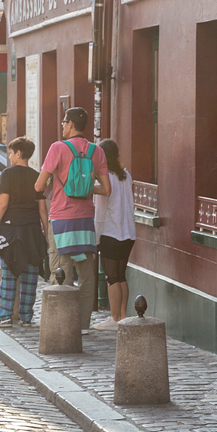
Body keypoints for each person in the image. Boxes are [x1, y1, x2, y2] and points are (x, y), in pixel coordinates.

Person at [35, 107, 111, 333]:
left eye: (63, 122)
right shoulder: (97, 152)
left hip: (61, 220)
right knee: (86, 275)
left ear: (70, 125)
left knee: (61, 271)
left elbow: (38, 186)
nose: (62, 126)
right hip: (85, 221)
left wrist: (60, 185)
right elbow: (106, 189)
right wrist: (85, 188)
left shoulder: (58, 148)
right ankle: (84, 324)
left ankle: (59, 324)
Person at [0, 137, 49, 329]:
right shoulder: (36, 176)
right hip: (32, 230)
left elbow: (3, 204)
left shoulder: (8, 174)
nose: (10, 156)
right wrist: (46, 234)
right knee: (30, 275)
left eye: (11, 153)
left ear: (18, 154)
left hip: (11, 230)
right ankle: (26, 317)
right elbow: (42, 209)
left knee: (9, 274)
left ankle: (5, 316)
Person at [92, 139, 135, 330]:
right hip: (128, 233)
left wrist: (96, 237)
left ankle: (115, 318)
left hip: (110, 232)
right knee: (121, 275)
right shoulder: (126, 175)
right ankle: (124, 316)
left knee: (112, 278)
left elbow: (100, 213)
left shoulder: (104, 179)